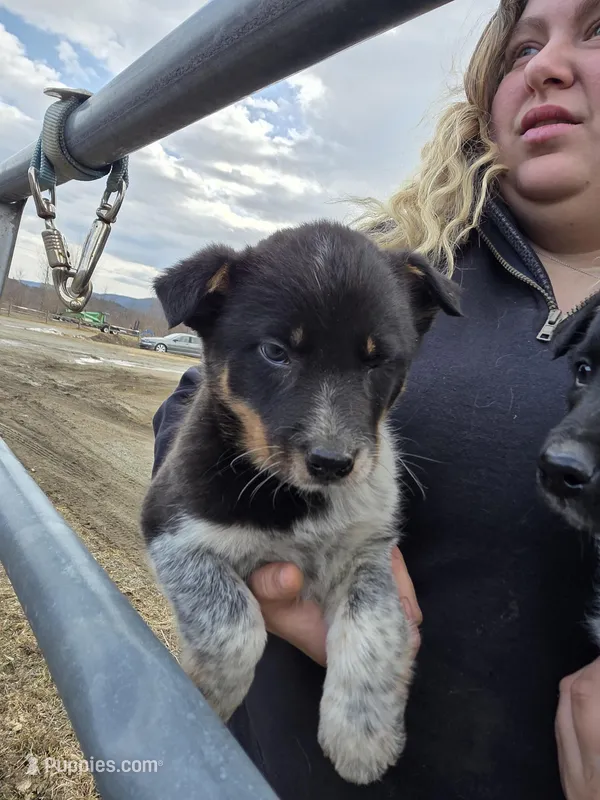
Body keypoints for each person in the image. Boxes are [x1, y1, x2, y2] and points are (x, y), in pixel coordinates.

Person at [150, 0, 600, 797]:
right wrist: (241, 548)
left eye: (597, 32)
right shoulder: (395, 268)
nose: (547, 65)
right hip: (278, 769)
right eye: (523, 44)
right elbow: (193, 404)